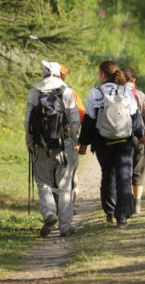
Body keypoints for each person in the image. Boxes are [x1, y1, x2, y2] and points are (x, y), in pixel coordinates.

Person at [78, 60, 145, 228]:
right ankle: (122, 216)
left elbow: (89, 121)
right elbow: (135, 116)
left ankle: (110, 211)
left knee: (108, 175)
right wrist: (140, 135)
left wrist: (84, 143)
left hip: (103, 142)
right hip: (124, 141)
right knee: (124, 176)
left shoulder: (95, 93)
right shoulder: (126, 91)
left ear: (102, 74)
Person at [24, 60, 80, 237]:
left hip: (41, 146)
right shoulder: (67, 91)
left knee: (43, 183)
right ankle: (65, 226)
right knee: (64, 185)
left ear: (44, 73)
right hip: (64, 146)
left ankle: (49, 213)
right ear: (58, 74)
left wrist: (29, 142)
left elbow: (27, 123)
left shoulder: (34, 92)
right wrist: (74, 140)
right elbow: (75, 120)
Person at [122, 67, 145, 214]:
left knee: (123, 170)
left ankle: (125, 201)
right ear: (134, 80)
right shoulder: (139, 95)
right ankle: (137, 204)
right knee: (138, 170)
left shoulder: (116, 94)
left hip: (119, 138)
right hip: (139, 138)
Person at [59, 64, 86, 205]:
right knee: (70, 174)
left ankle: (52, 208)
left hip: (44, 142)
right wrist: (78, 138)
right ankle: (67, 206)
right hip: (68, 140)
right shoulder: (70, 92)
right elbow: (81, 115)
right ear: (62, 76)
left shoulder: (38, 92)